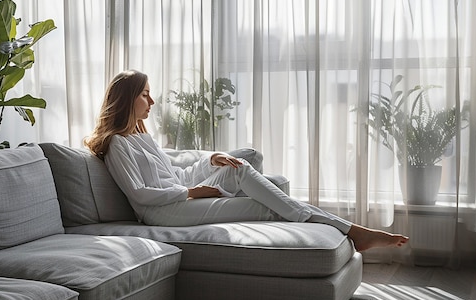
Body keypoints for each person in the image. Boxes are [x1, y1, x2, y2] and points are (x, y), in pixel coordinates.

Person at [84, 70, 409, 251]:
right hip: (163, 214)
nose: (152, 101)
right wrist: (191, 193)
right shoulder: (117, 145)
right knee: (268, 204)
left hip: (179, 201)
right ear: (127, 99)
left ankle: (349, 229)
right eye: (145, 94)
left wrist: (212, 160)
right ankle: (353, 230)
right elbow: (140, 194)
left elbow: (178, 174)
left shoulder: (143, 138)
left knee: (246, 173)